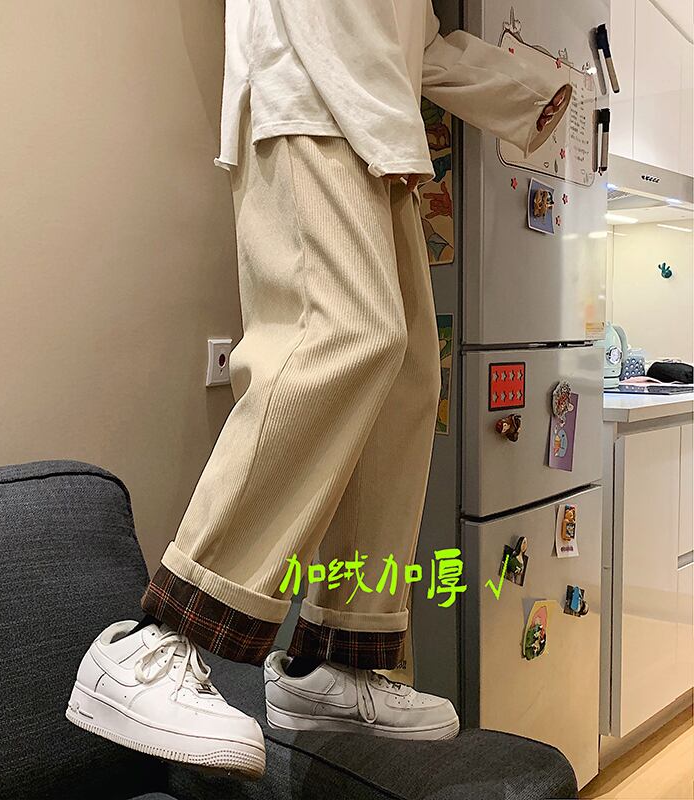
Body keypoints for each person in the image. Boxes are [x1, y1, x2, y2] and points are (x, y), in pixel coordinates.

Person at [65, 0, 571, 779]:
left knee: (404, 382)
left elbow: (415, 37)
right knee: (339, 335)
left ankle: (339, 663)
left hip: (383, 128)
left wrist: (526, 93)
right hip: (305, 90)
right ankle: (157, 642)